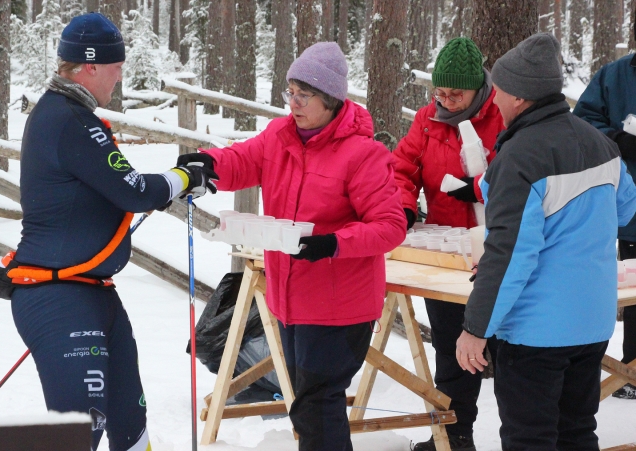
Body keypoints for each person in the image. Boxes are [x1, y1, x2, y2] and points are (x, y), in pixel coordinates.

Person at [0, 13, 216, 451]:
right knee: (79, 435)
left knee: (130, 423)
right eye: (116, 68)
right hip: (58, 297)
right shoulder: (68, 119)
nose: (120, 78)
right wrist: (184, 178)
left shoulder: (73, 115)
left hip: (93, 294)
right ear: (90, 65)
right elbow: (133, 190)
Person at [177, 42, 407, 451]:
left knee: (316, 406)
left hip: (340, 306)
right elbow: (242, 160)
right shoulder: (279, 136)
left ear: (331, 100)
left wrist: (332, 243)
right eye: (290, 91)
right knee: (307, 404)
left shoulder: (361, 154)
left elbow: (390, 227)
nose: (294, 103)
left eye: (305, 94)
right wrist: (210, 164)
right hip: (290, 300)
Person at [456, 33, 636, 450]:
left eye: (497, 90)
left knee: (530, 439)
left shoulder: (520, 156)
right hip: (592, 322)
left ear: (519, 97)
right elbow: (626, 211)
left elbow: (509, 253)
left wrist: (475, 328)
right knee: (576, 432)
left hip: (537, 333)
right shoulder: (601, 144)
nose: (492, 99)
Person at [392, 37, 504, 451]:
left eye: (456, 93)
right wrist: (403, 206)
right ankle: (456, 435)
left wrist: (476, 188)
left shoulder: (503, 116)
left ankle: (525, 435)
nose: (447, 100)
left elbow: (518, 171)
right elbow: (402, 168)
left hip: (499, 249)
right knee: (449, 345)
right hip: (446, 253)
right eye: (440, 92)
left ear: (478, 88)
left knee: (504, 348)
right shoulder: (427, 120)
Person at [573, 40, 636, 400]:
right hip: (629, 203)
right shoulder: (614, 75)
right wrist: (617, 140)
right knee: (632, 294)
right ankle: (630, 371)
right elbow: (583, 119)